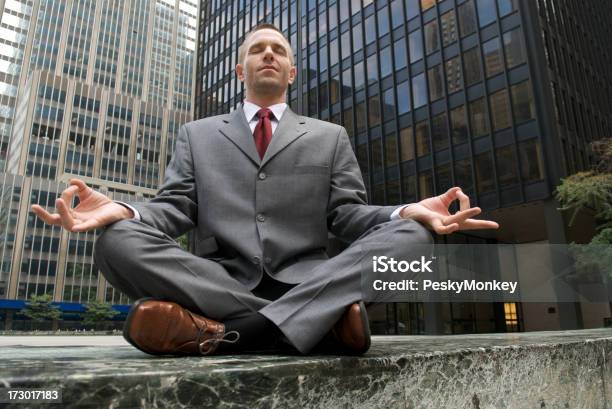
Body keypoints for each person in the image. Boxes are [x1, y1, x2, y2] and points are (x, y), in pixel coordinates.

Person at [32, 23, 499, 356]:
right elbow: (174, 208)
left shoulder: (329, 136)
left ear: (291, 73)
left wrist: (406, 212)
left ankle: (225, 333)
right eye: (258, 49)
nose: (269, 54)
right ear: (241, 71)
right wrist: (120, 210)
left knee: (416, 237)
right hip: (220, 282)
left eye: (278, 49)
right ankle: (320, 325)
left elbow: (348, 216)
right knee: (116, 241)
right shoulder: (197, 134)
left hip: (310, 277)